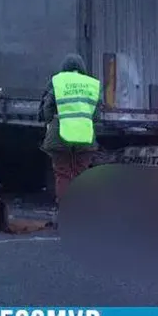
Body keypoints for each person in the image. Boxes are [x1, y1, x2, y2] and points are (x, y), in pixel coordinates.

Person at [39, 53, 101, 207]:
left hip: (60, 135)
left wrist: (49, 122)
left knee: (63, 173)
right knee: (81, 174)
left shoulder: (58, 81)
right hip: (85, 137)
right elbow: (97, 114)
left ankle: (65, 209)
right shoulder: (92, 84)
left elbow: (47, 108)